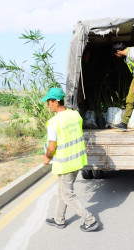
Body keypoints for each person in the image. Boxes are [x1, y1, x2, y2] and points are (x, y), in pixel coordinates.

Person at [42, 88, 99, 232]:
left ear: (56, 102)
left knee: (67, 194)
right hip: (77, 161)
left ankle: (90, 220)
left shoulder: (54, 122)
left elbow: (52, 145)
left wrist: (47, 157)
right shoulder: (76, 116)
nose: (48, 105)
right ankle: (58, 219)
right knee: (63, 192)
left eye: (49, 102)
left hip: (65, 164)